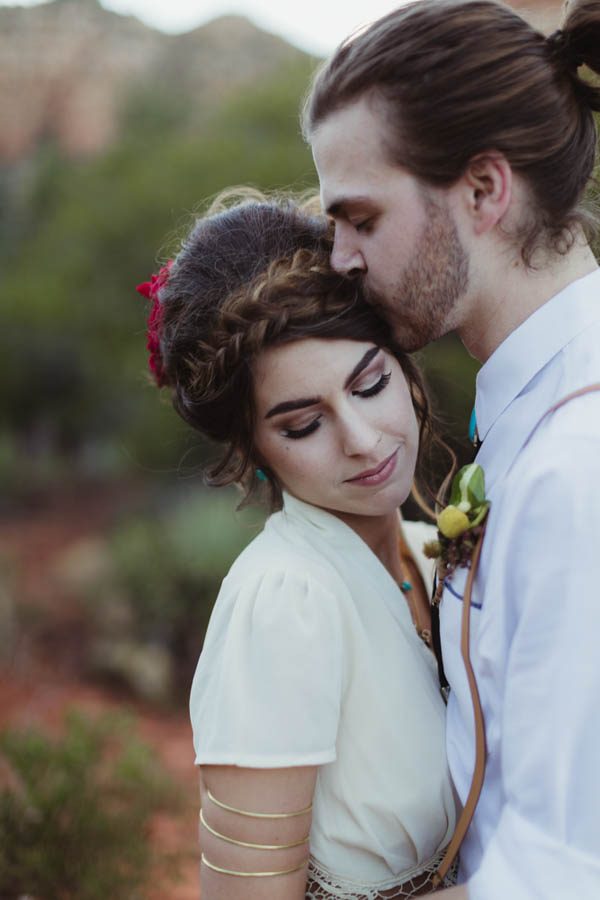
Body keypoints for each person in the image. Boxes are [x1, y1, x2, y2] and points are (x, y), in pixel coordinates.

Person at [303, 0, 600, 897]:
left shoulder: (575, 468)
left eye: (361, 218)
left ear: (482, 191)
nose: (340, 259)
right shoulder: (527, 408)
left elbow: (560, 871)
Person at [137, 192, 459, 899]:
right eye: (302, 425)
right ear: (254, 450)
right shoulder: (286, 600)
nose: (364, 440)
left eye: (370, 384)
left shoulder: (431, 549)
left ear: (403, 365)